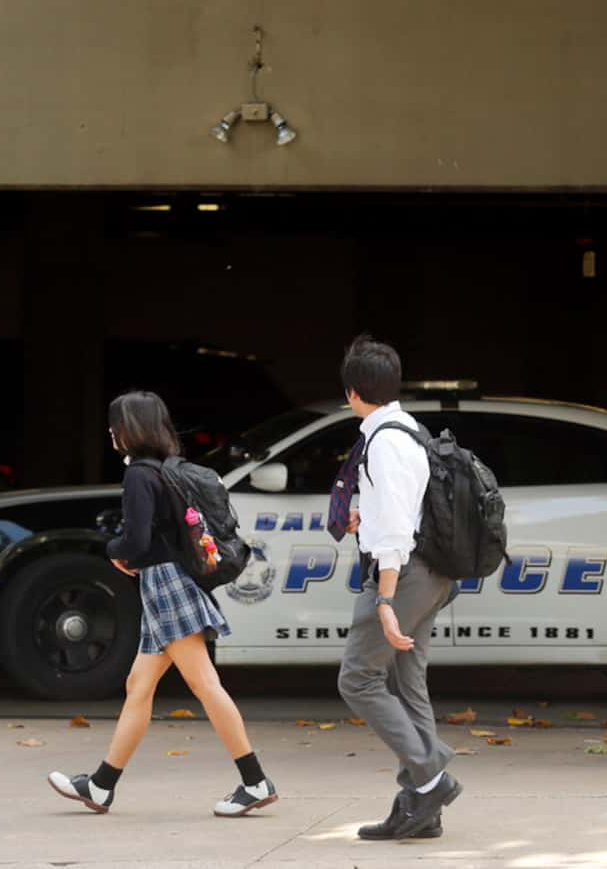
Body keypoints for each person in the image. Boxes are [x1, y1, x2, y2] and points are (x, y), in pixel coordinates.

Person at [47, 390, 277, 817]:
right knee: (140, 685)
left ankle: (254, 780)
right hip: (165, 583)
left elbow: (134, 541)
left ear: (127, 430)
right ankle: (101, 785)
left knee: (204, 685)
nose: (110, 433)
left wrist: (112, 550)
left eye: (114, 425)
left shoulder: (139, 476)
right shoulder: (161, 472)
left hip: (166, 587)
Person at [332, 335, 460, 841]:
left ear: (352, 392)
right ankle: (422, 809)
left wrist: (384, 599)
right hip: (431, 572)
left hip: (403, 574)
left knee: (358, 679)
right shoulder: (410, 430)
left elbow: (396, 531)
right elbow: (401, 511)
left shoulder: (383, 441)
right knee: (408, 684)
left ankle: (430, 779)